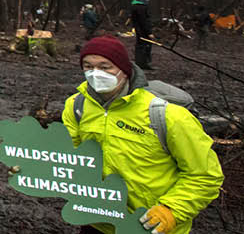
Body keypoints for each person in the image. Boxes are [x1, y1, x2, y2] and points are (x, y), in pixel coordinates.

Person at [65, 36, 223, 234]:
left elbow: (205, 175)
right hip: (98, 222)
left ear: (124, 69)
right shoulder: (76, 106)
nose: (95, 74)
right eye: (88, 66)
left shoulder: (166, 114)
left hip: (152, 226)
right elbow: (67, 157)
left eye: (105, 67)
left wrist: (170, 211)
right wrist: (28, 167)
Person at [130, 0, 154, 71]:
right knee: (144, 47)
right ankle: (143, 64)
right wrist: (149, 32)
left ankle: (141, 64)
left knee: (140, 47)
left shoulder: (135, 7)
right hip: (143, 32)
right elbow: (144, 21)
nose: (148, 0)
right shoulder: (141, 8)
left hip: (139, 31)